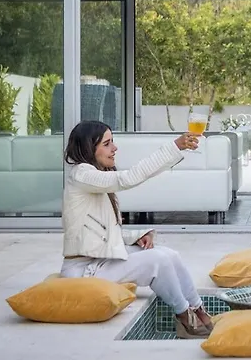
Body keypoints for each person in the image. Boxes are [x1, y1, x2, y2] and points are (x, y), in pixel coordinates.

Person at [60, 120, 213, 339]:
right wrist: (174, 146)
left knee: (170, 254)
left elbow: (100, 232)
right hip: (83, 271)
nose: (114, 148)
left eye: (112, 142)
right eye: (107, 144)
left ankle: (199, 311)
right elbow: (127, 178)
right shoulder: (82, 174)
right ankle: (184, 317)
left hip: (98, 260)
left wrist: (137, 236)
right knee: (157, 261)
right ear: (88, 147)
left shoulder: (93, 176)